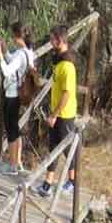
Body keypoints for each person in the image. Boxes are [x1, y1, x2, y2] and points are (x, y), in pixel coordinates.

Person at [33, 26, 78, 199]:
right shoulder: (59, 61)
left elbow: (67, 93)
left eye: (52, 40)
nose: (50, 43)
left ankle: (72, 182)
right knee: (53, 147)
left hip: (64, 114)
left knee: (66, 149)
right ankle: (48, 184)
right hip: (57, 112)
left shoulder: (67, 66)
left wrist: (55, 115)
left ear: (59, 40)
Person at [0, 23, 37, 174]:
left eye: (13, 35)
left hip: (12, 94)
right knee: (15, 129)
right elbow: (13, 61)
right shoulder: (28, 52)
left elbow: (7, 71)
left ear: (18, 37)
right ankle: (17, 163)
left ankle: (12, 166)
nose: (12, 38)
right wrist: (5, 49)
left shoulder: (20, 54)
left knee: (11, 130)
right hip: (19, 93)